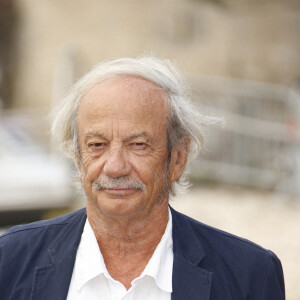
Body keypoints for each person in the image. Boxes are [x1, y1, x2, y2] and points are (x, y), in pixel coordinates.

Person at [0, 57, 285, 300]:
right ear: (77, 158)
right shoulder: (10, 260)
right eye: (97, 145)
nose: (115, 167)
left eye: (138, 145)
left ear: (177, 159)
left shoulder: (250, 275)